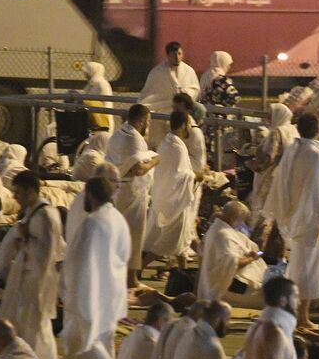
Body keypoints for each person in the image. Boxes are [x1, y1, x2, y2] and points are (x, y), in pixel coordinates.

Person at [61, 177, 130, 359]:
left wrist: (66, 281)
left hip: (93, 289)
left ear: (90, 194)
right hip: (111, 288)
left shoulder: (94, 222)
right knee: (103, 337)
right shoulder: (117, 218)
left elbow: (80, 259)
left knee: (96, 338)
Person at [270, 110, 319, 332]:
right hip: (310, 219)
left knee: (300, 267)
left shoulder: (294, 150)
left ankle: (298, 313)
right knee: (308, 270)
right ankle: (303, 317)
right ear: (318, 131)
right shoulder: (314, 155)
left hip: (297, 215)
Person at [0, 172, 64, 359]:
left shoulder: (46, 215)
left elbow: (47, 254)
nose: (15, 197)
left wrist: (25, 239)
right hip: (27, 279)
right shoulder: (33, 213)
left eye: (18, 192)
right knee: (27, 327)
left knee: (38, 329)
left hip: (38, 281)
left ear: (30, 190)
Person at [105, 104, 159, 286]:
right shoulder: (134, 139)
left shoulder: (118, 134)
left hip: (118, 192)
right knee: (134, 236)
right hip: (132, 194)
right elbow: (138, 168)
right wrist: (156, 159)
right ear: (143, 120)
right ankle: (130, 278)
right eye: (148, 122)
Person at [142, 110, 198, 266]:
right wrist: (196, 176)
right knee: (169, 241)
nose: (189, 128)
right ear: (182, 125)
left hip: (167, 197)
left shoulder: (168, 142)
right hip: (174, 203)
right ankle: (139, 268)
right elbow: (181, 176)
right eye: (188, 124)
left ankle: (183, 274)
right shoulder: (176, 147)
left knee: (181, 244)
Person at [197, 200, 264, 305]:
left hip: (214, 281)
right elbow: (233, 263)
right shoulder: (224, 234)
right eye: (241, 220)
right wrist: (252, 258)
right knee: (270, 295)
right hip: (227, 286)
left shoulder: (216, 228)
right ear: (233, 219)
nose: (242, 224)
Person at [138, 41, 199, 133]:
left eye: (179, 54)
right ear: (167, 55)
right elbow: (149, 94)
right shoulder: (157, 72)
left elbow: (195, 89)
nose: (177, 58)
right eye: (173, 55)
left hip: (182, 112)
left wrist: (185, 93)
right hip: (161, 112)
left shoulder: (189, 71)